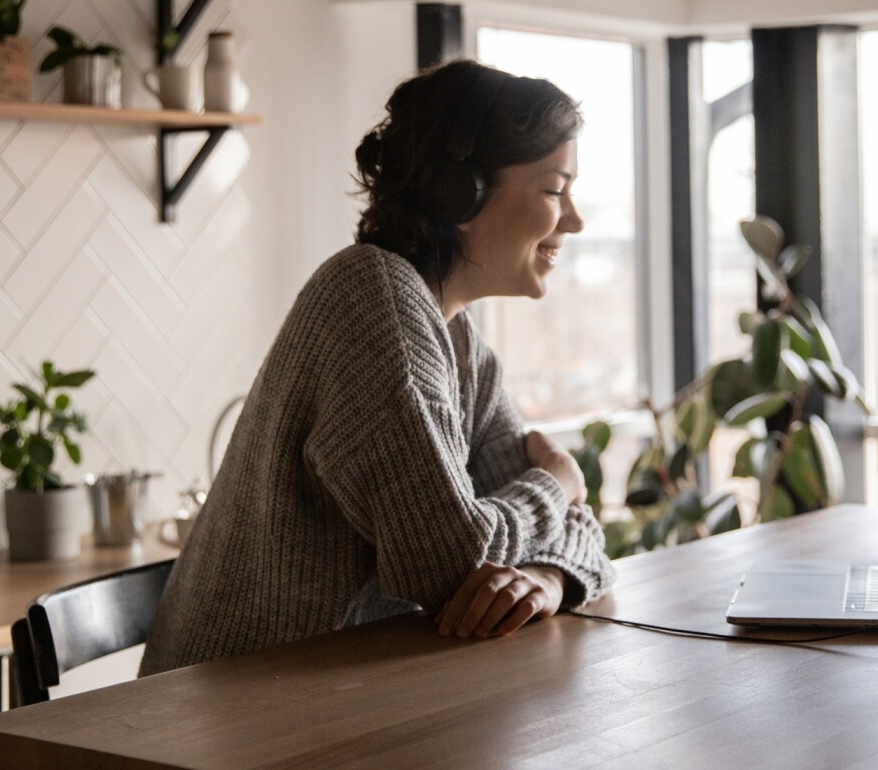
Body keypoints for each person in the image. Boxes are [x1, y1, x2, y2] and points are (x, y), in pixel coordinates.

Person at [139, 60, 616, 675]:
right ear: (459, 192)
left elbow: (577, 537)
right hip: (214, 724)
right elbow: (451, 564)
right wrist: (558, 483)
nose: (574, 219)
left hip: (323, 702)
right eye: (554, 190)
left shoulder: (462, 344)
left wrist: (549, 577)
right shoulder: (372, 300)